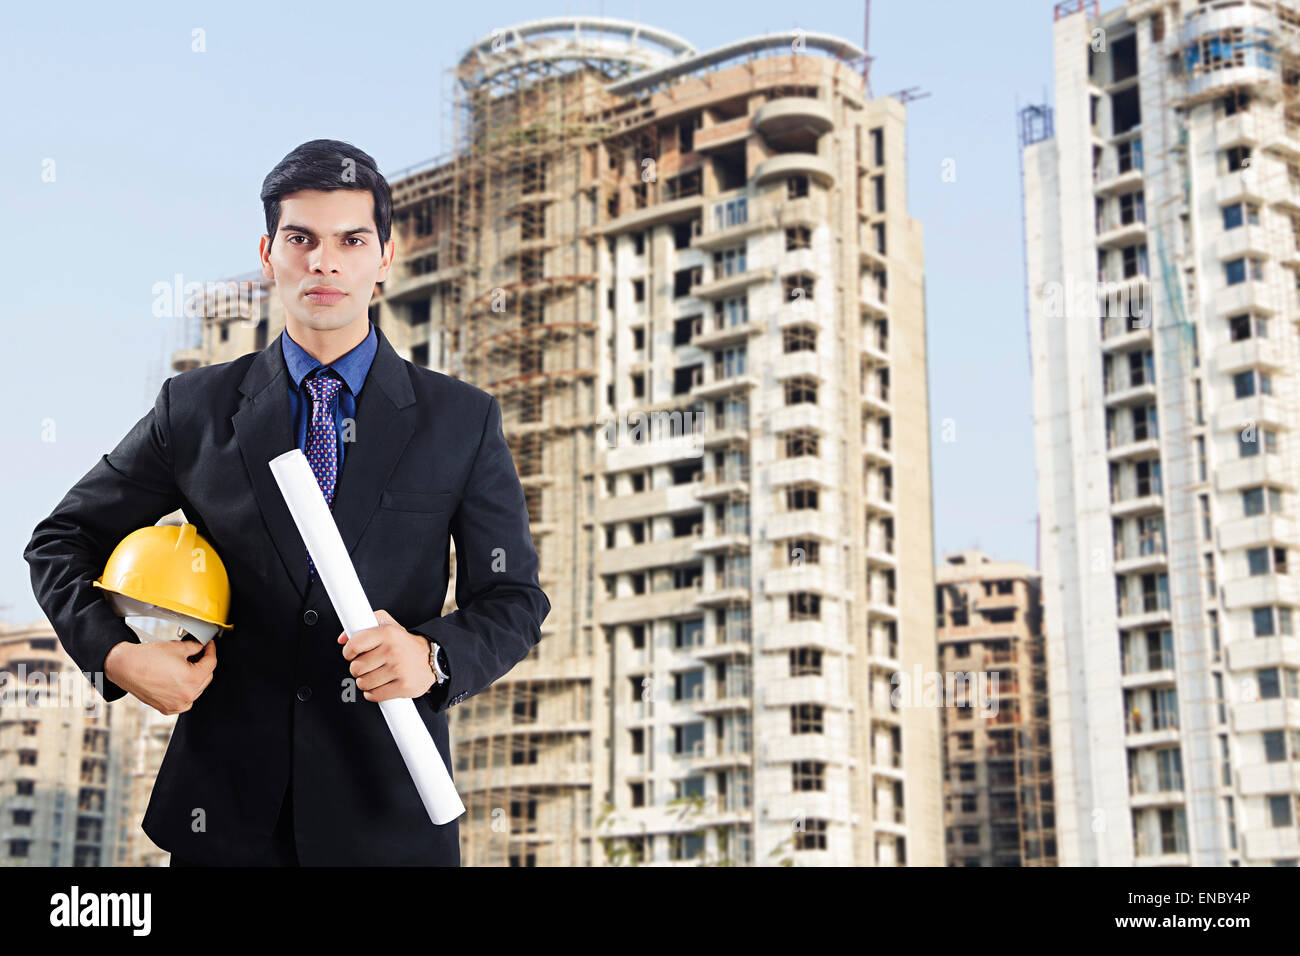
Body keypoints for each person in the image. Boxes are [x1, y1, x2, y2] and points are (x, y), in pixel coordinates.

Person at [24, 139, 550, 866]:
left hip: (389, 817)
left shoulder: (460, 419)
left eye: (350, 240)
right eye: (301, 239)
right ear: (269, 254)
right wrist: (117, 658)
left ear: (384, 258)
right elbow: (61, 540)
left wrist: (433, 656)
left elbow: (515, 599)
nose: (324, 262)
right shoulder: (196, 409)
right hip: (225, 820)